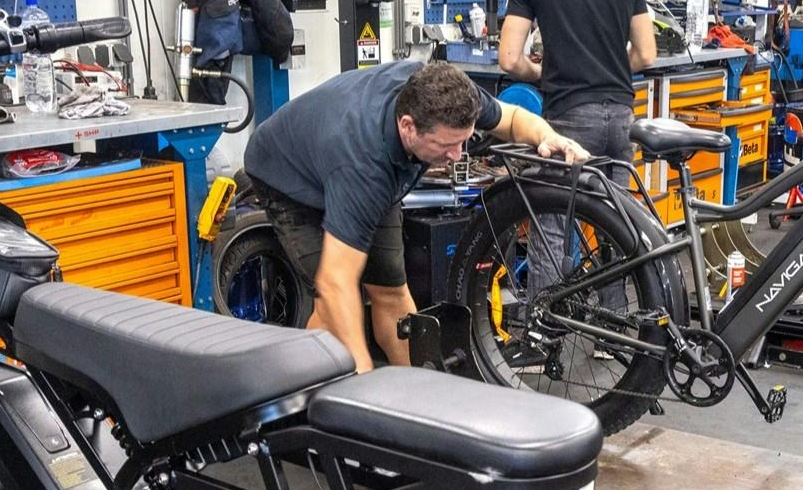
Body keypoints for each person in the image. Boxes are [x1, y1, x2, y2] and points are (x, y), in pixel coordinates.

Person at [241, 60, 587, 372]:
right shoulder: (362, 164)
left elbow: (510, 118)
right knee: (335, 306)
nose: (457, 155)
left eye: (464, 142)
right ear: (408, 127)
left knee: (390, 290)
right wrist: (367, 382)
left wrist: (549, 137)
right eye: (446, 146)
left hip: (365, 173)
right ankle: (303, 406)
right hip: (289, 181)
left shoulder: (449, 97)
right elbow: (336, 283)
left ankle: (417, 393)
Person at [497, 0, 658, 291]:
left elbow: (510, 59)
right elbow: (646, 54)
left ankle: (543, 333)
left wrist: (543, 70)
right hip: (621, 118)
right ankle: (616, 330)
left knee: (551, 224)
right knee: (617, 225)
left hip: (567, 117)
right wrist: (607, 62)